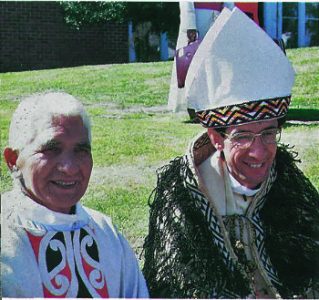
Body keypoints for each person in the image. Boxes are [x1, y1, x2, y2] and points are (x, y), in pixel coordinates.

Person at [144, 8, 319, 299]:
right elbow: (176, 286)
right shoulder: (183, 194)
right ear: (216, 137)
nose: (260, 151)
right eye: (243, 136)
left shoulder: (286, 180)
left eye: (268, 133)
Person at [1, 92, 149, 298]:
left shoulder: (107, 234)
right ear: (13, 160)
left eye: (81, 150)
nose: (69, 168)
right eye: (51, 149)